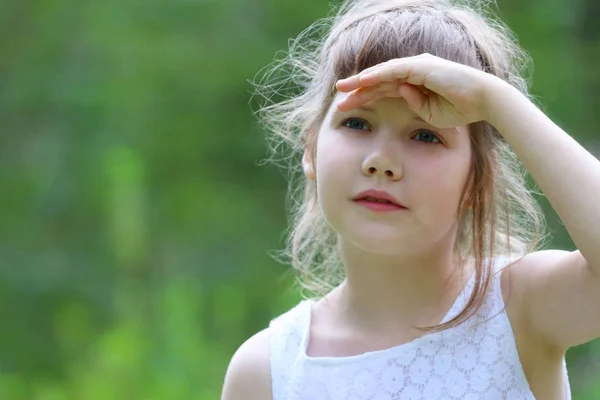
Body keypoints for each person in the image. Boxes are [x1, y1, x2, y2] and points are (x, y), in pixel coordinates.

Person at [221, 0, 600, 398]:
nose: (381, 162)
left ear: (477, 180)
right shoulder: (268, 370)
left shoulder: (521, 306)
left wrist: (494, 100)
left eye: (425, 135)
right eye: (356, 123)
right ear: (311, 148)